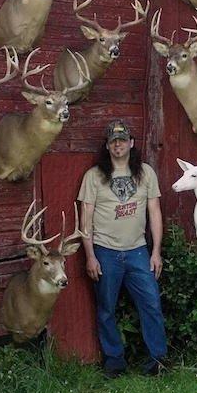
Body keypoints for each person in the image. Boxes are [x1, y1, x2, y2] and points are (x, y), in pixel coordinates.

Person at [78, 119, 167, 378]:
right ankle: (114, 362)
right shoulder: (94, 177)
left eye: (122, 140)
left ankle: (157, 360)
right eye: (113, 141)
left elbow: (155, 212)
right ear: (107, 146)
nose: (118, 145)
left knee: (151, 303)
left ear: (131, 143)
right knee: (106, 308)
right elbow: (86, 218)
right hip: (105, 251)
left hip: (138, 251)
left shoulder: (146, 173)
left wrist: (156, 251)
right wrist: (90, 256)